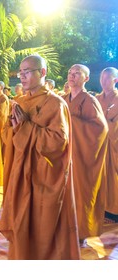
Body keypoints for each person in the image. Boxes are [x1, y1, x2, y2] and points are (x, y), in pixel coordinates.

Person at [0, 55, 80, 259]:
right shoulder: (18, 102)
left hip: (43, 177)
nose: (22, 76)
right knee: (20, 224)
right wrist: (17, 129)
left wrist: (26, 127)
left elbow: (58, 141)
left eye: (27, 72)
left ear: (42, 73)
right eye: (20, 72)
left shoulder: (55, 104)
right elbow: (8, 135)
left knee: (43, 228)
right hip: (20, 175)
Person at [63, 64, 108, 243]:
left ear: (86, 78)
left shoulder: (90, 101)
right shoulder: (63, 99)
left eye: (77, 73)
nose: (72, 76)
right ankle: (64, 229)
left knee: (82, 194)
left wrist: (71, 121)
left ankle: (81, 233)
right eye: (70, 73)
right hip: (65, 156)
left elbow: (100, 129)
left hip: (82, 157)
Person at [96, 67, 118, 222]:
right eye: (102, 78)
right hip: (99, 145)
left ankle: (115, 209)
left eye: (107, 78)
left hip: (114, 144)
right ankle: (102, 206)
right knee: (100, 176)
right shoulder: (96, 99)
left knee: (114, 176)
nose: (103, 81)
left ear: (115, 80)